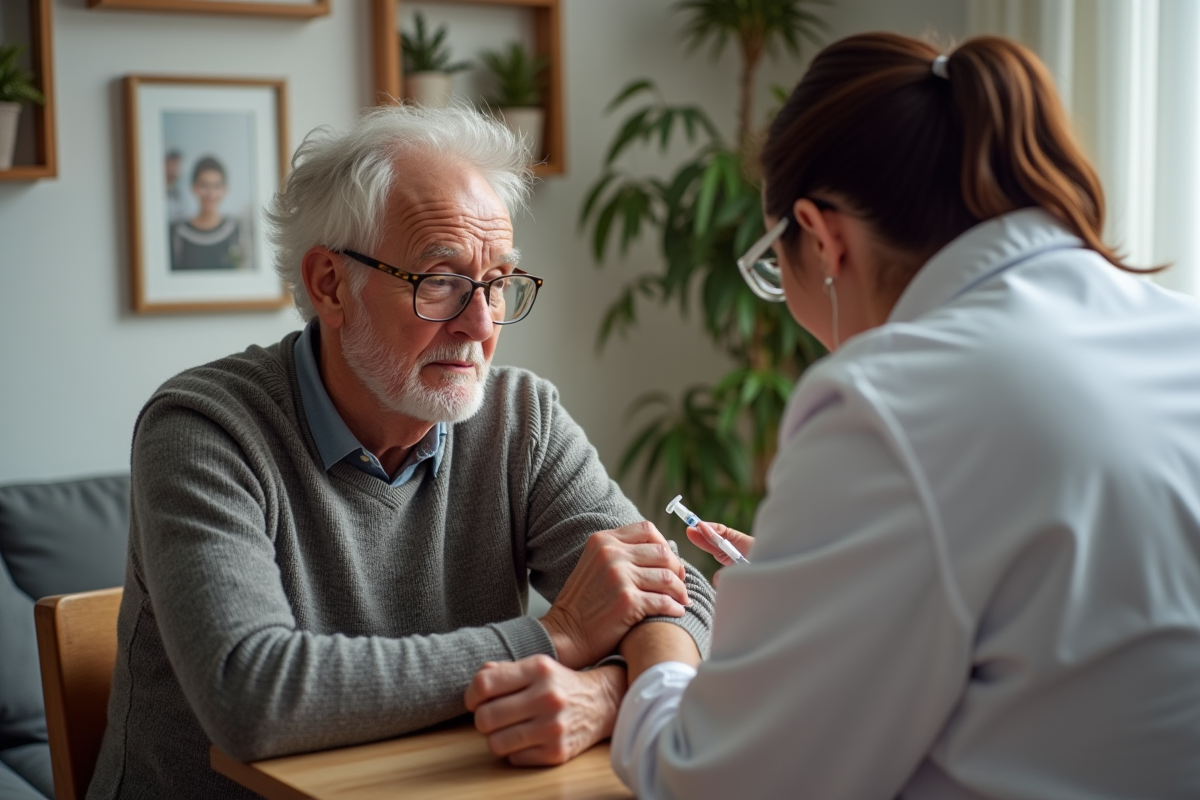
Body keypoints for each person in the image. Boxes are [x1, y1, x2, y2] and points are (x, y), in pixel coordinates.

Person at [611, 32, 1200, 799]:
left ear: (821, 239)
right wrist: (816, 583)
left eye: (772, 266)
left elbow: (712, 779)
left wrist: (656, 658)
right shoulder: (1175, 330)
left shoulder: (888, 402)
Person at [88, 106, 714, 799]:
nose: (480, 325)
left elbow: (676, 597)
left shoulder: (522, 418)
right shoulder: (205, 428)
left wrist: (608, 696)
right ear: (330, 283)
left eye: (499, 282)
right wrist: (558, 635)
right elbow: (251, 695)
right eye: (440, 280)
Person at [169, 155, 249, 271]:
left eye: (216, 186)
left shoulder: (237, 229)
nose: (210, 194)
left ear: (225, 189)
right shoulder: (177, 232)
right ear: (194, 187)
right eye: (204, 185)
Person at [164, 148, 187, 223]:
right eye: (173, 164)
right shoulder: (158, 191)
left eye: (178, 165)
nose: (176, 169)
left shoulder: (177, 190)